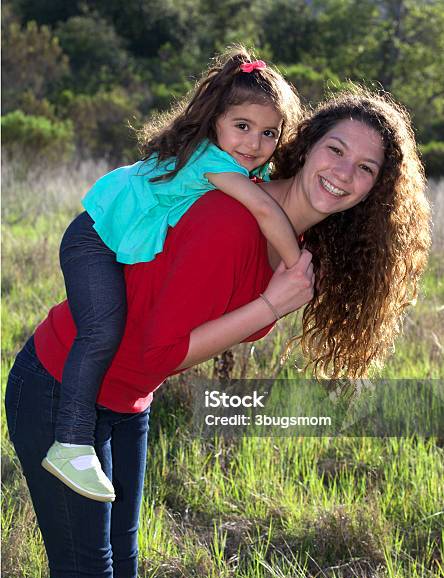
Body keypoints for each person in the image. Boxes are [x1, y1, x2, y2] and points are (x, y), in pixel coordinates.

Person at [5, 88, 430, 578]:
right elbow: (157, 354)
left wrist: (276, 298)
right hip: (59, 388)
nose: (344, 173)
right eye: (336, 150)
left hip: (126, 402)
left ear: (376, 190)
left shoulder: (295, 252)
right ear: (306, 145)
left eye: (366, 168)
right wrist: (271, 306)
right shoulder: (232, 222)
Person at [42, 46, 303, 503]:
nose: (253, 143)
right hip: (94, 236)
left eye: (268, 133)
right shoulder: (213, 161)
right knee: (102, 329)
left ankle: (77, 438)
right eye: (241, 126)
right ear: (215, 119)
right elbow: (264, 209)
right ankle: (71, 442)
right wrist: (296, 267)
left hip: (111, 237)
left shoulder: (241, 167)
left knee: (110, 324)